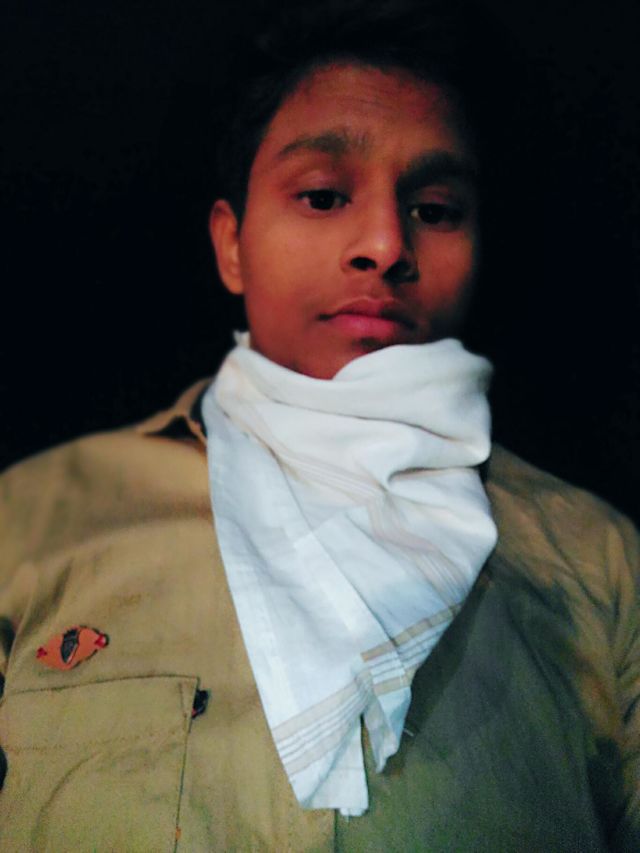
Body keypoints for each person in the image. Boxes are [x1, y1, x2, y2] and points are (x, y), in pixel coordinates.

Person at [0, 0, 637, 849]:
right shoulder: (37, 519)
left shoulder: (597, 559)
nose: (385, 243)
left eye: (435, 208)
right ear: (232, 245)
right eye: (324, 195)